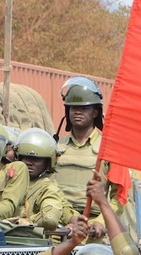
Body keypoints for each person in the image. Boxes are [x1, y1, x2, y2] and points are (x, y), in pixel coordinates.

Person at [54, 76, 126, 228]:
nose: (78, 112)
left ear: (95, 112)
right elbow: (45, 187)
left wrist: (100, 222)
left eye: (84, 108)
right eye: (73, 108)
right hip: (58, 223)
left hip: (94, 227)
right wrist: (70, 218)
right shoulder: (55, 147)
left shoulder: (110, 149)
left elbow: (119, 196)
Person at [13, 128, 76, 232]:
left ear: (47, 162)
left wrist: (26, 221)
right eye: (25, 157)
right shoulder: (9, 180)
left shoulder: (47, 187)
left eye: (36, 159)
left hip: (33, 242)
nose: (29, 163)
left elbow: (50, 218)